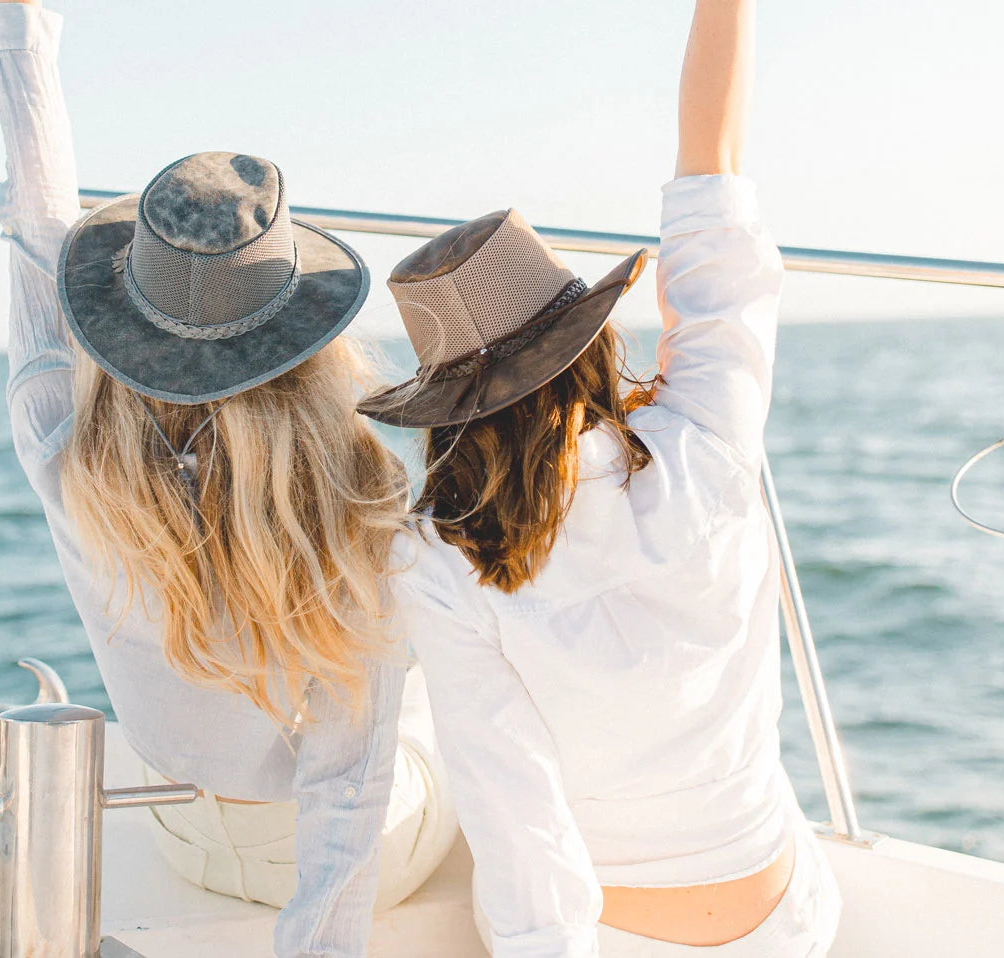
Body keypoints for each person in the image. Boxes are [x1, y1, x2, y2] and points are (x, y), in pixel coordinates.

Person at [358, 0, 842, 954]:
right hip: (785, 916)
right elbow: (715, 193)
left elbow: (516, 810)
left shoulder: (435, 561)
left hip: (617, 932)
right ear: (587, 343)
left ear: (447, 409)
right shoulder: (707, 433)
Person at [0, 2, 456, 955]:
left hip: (184, 828)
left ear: (122, 303)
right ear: (304, 332)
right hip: (336, 850)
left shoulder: (59, 441)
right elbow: (349, 777)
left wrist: (22, 28)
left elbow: (38, 229)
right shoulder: (358, 496)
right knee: (425, 710)